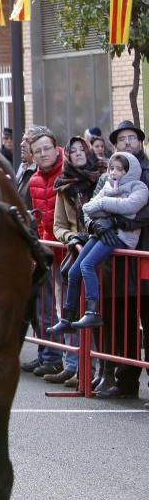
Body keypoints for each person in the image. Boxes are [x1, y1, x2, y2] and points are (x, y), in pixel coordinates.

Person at [51, 152, 149, 333]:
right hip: (102, 234)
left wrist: (103, 204)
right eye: (112, 168)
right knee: (74, 270)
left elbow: (130, 206)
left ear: (129, 170)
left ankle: (92, 311)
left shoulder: (139, 187)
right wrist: (106, 210)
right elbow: (88, 208)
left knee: (87, 265)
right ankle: (68, 317)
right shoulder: (108, 185)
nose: (114, 172)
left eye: (120, 169)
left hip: (122, 236)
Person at [88, 120, 149, 399]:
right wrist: (95, 226)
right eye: (122, 139)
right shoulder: (107, 176)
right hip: (116, 261)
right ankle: (124, 382)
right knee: (119, 322)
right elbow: (90, 209)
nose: (127, 142)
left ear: (140, 141)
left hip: (144, 257)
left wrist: (121, 222)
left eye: (132, 138)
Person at [49, 137, 108, 385]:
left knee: (102, 316)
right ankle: (79, 368)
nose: (77, 153)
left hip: (104, 249)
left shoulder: (104, 176)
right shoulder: (63, 188)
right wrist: (72, 238)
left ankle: (100, 371)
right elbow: (58, 227)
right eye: (72, 151)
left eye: (80, 149)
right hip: (79, 249)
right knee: (75, 311)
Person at [24, 126, 66, 377]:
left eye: (46, 148)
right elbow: (38, 220)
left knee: (70, 310)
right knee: (46, 307)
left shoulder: (68, 171)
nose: (43, 154)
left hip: (69, 249)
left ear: (55, 147)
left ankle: (74, 363)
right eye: (37, 151)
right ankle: (50, 355)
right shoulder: (34, 180)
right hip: (47, 250)